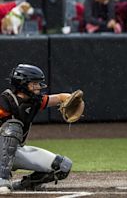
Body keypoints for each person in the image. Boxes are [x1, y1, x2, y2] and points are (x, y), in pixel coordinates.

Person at [0, 64, 76, 194]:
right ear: (22, 84)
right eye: (34, 83)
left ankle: (26, 185)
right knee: (13, 127)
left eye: (38, 83)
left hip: (14, 151)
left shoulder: (34, 101)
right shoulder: (6, 101)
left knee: (62, 166)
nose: (38, 87)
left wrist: (70, 98)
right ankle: (2, 178)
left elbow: (58, 98)